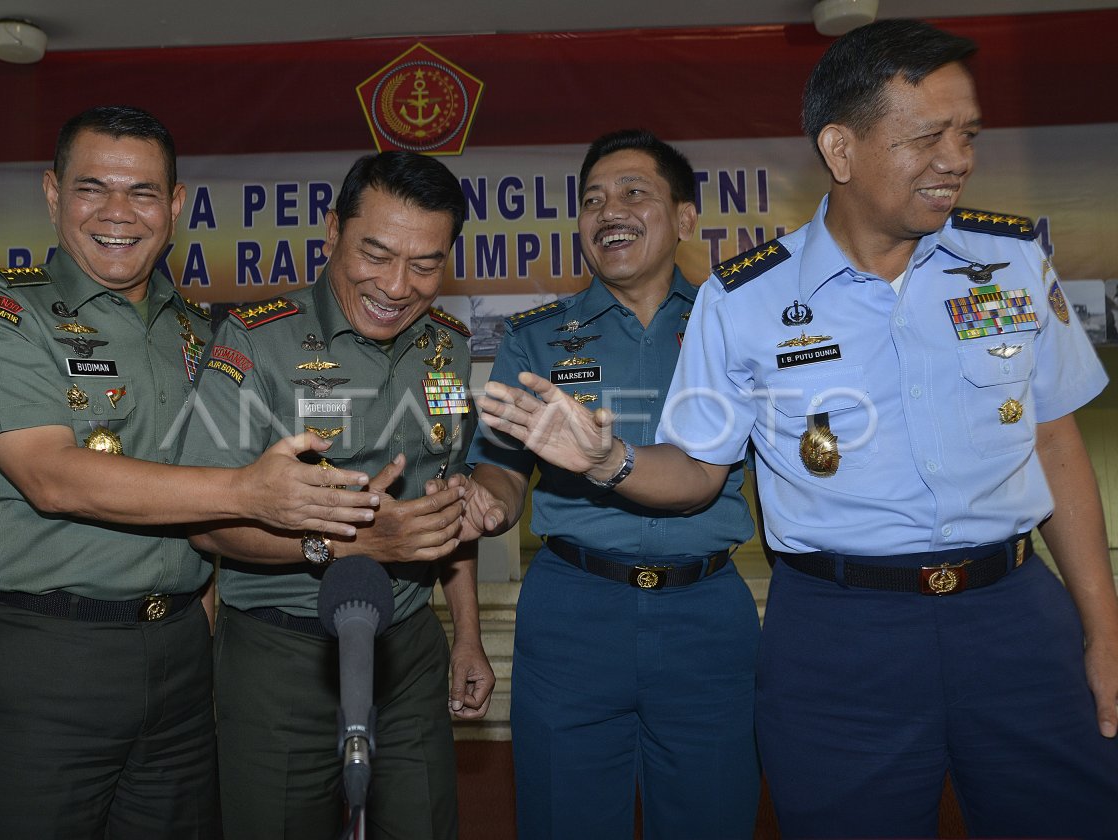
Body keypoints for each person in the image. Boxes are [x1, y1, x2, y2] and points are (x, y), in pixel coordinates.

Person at [475, 19, 1118, 840]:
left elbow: (1055, 442)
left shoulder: (1013, 263)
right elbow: (698, 470)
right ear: (841, 150)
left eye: (967, 135)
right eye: (927, 137)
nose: (956, 158)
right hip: (842, 631)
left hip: (1018, 615)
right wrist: (610, 460)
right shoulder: (744, 301)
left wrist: (1104, 630)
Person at [0, 106, 384, 839]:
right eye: (92, 189)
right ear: (53, 195)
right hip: (53, 652)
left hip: (183, 658)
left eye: (144, 192)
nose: (119, 213)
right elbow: (52, 476)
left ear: (175, 206)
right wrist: (247, 493)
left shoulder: (201, 333)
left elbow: (224, 480)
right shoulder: (3, 312)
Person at [179, 150, 495, 840]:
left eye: (425, 264)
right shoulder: (257, 343)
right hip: (283, 655)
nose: (397, 285)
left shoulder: (448, 348)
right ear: (331, 234)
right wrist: (353, 540)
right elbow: (208, 526)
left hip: (409, 646)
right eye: (375, 254)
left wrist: (466, 634)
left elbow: (446, 497)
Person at [457, 130, 760, 839]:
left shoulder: (735, 326)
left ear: (686, 218)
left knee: (713, 816)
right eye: (592, 200)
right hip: (574, 616)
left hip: (707, 612)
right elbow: (501, 463)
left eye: (633, 193)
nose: (608, 211)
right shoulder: (536, 338)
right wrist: (490, 504)